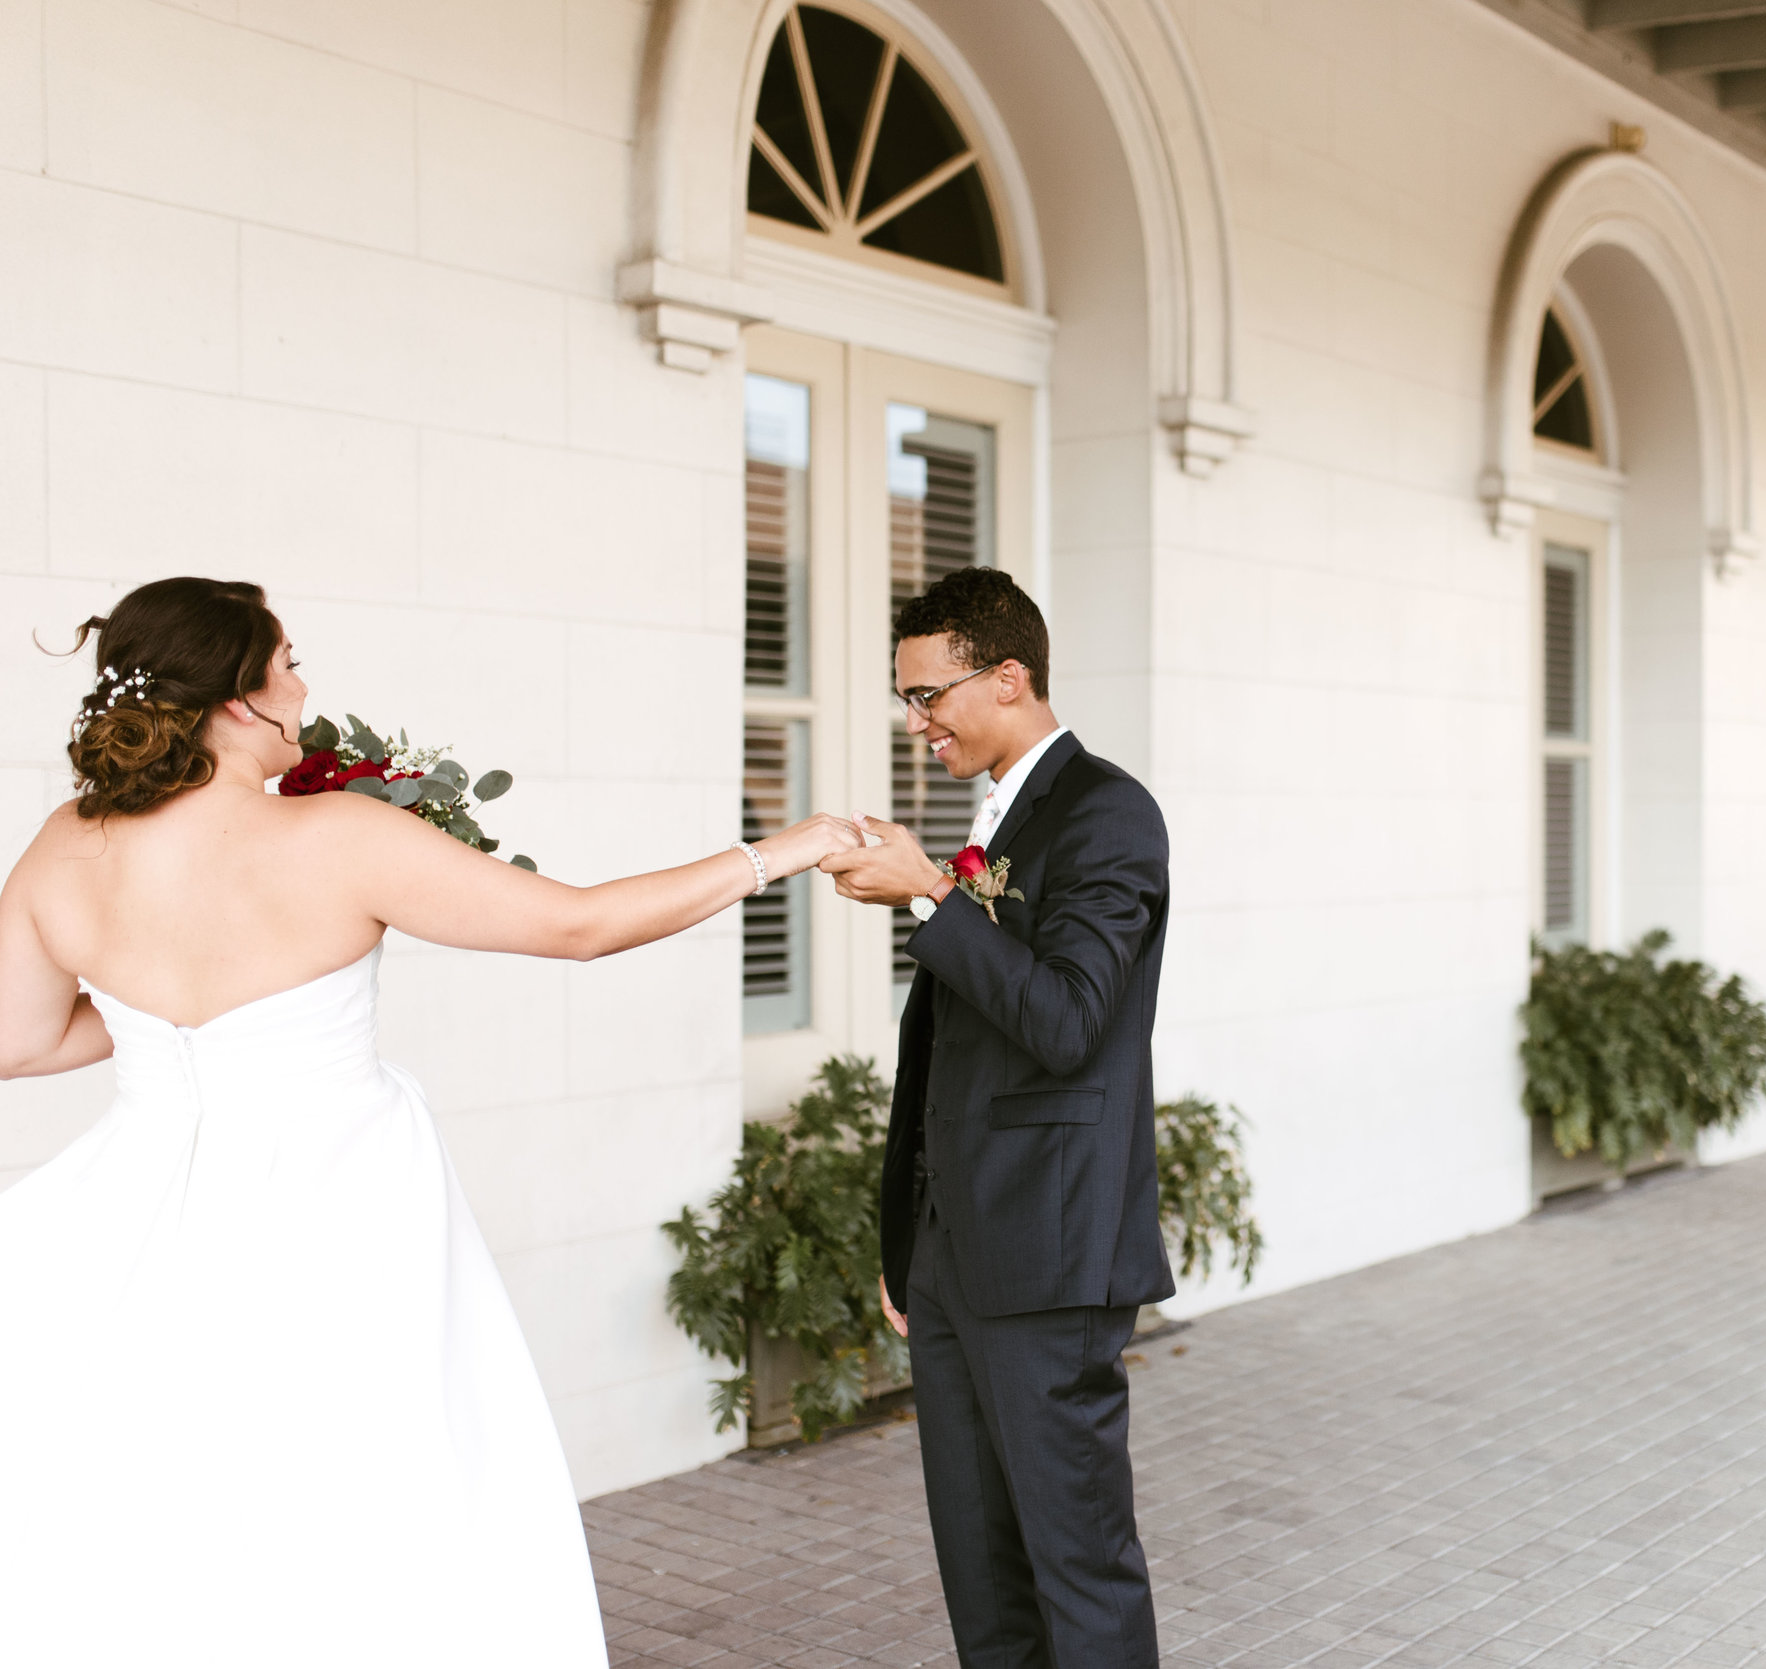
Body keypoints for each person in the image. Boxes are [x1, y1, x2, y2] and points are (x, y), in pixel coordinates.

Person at [0, 577, 862, 1668]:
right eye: (288, 664)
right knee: (370, 1486)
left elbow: (18, 1041)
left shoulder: (65, 845)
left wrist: (168, 1024)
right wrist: (779, 851)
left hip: (141, 1203)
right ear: (235, 703)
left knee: (169, 1488)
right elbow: (578, 925)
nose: (305, 685)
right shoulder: (337, 835)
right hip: (332, 1201)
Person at [824, 566, 1174, 1668]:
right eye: (907, 699)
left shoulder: (1109, 812)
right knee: (981, 1573)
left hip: (1048, 1254)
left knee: (1077, 1565)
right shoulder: (995, 813)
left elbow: (1069, 1020)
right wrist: (907, 1240)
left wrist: (933, 894)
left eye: (929, 695)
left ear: (1009, 676)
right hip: (953, 1254)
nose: (917, 721)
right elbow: (951, 1053)